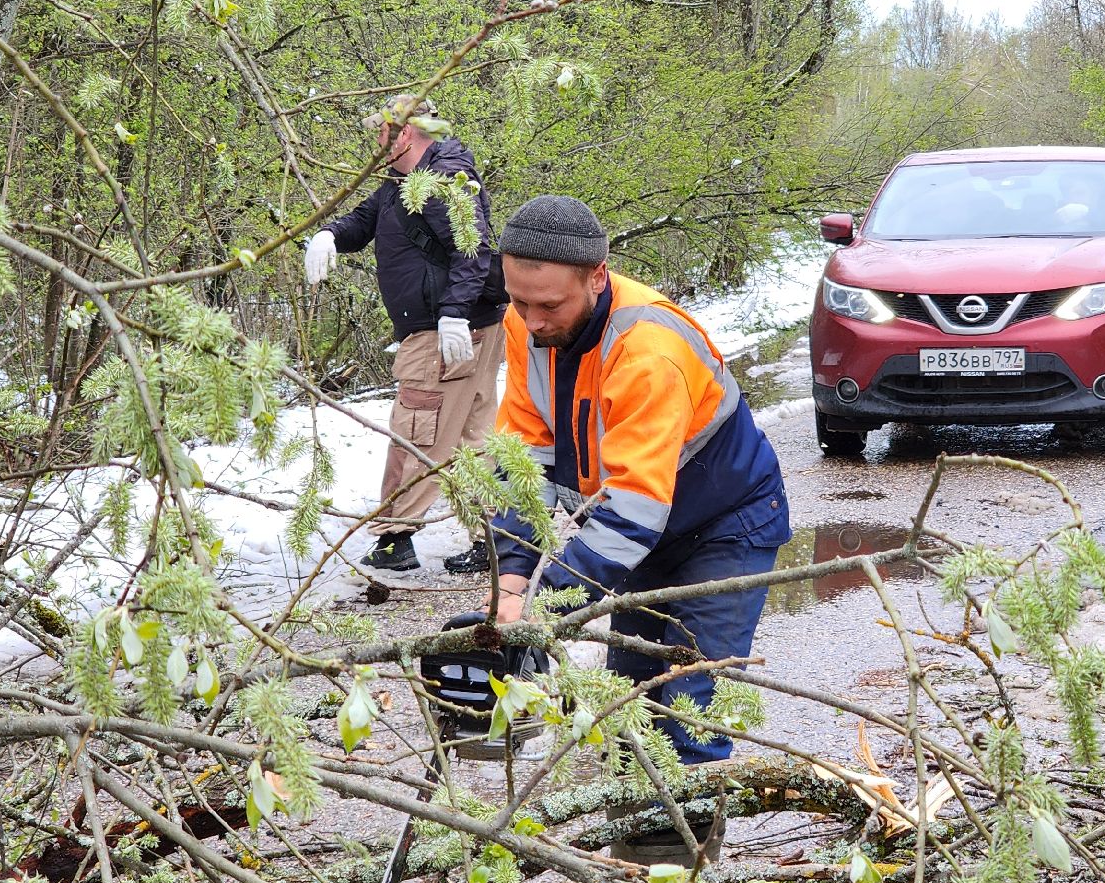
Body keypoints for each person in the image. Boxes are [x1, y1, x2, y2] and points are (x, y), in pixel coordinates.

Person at [484, 195, 791, 769]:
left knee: (692, 707)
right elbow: (524, 458)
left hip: (724, 528)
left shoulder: (648, 350)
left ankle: (689, 851)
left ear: (597, 277)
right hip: (638, 535)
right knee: (631, 708)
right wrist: (510, 582)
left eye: (548, 304)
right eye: (519, 301)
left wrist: (545, 607)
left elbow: (634, 507)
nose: (533, 320)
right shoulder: (526, 323)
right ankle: (631, 856)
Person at [304, 96, 508, 573]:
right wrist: (330, 234)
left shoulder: (442, 182)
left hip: (446, 332)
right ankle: (495, 538)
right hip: (470, 326)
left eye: (382, 132)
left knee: (418, 430)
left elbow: (471, 248)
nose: (377, 141)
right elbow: (365, 220)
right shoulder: (403, 183)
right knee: (473, 436)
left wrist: (453, 313)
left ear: (405, 133)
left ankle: (396, 537)